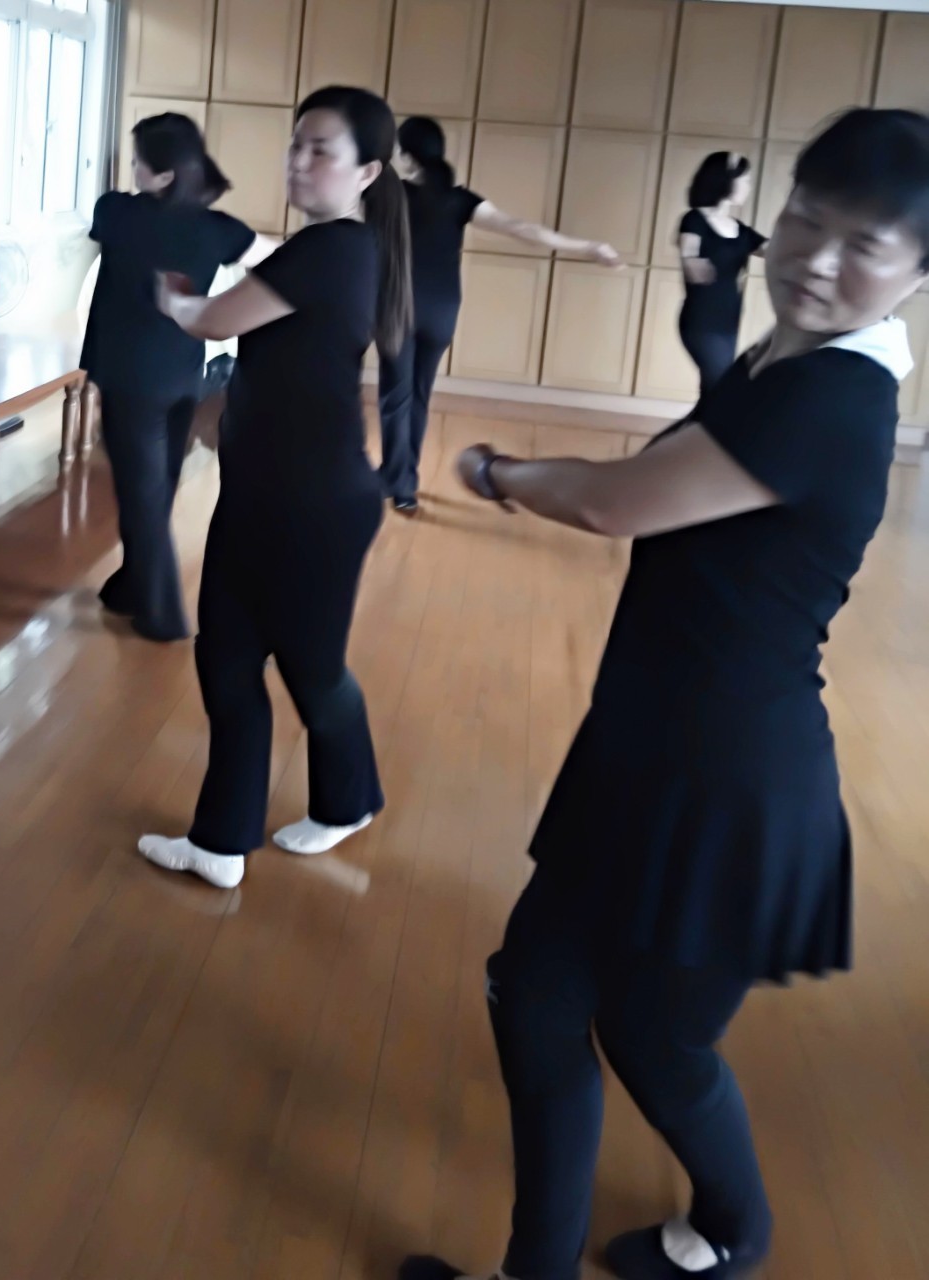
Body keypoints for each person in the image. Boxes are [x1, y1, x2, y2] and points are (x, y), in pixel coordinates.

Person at [400, 107, 929, 1280]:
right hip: (652, 748)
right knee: (534, 992)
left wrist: (495, 468)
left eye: (865, 245)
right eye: (807, 220)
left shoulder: (833, 395)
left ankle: (734, 1229)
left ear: (918, 272)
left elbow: (614, 502)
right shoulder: (780, 360)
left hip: (731, 782)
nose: (816, 259)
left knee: (656, 1039)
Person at [138, 85, 413, 889]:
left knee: (311, 669)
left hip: (314, 506)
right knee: (227, 656)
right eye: (296, 144)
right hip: (268, 495)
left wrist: (173, 298)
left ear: (366, 172)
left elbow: (212, 322)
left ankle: (348, 800)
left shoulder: (330, 250)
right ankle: (221, 842)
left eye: (320, 149)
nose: (299, 161)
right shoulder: (328, 250)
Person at [81, 112, 274, 642]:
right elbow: (280, 263)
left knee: (141, 493)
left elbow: (111, 235)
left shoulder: (115, 211)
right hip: (186, 376)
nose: (132, 168)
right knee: (156, 486)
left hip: (130, 380)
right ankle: (132, 585)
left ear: (164, 175)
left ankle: (163, 614)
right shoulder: (220, 228)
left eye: (138, 161)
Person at [379, 116, 621, 515]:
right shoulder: (460, 200)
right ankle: (404, 481)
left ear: (405, 155)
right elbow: (520, 227)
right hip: (442, 311)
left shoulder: (391, 193)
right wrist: (587, 247)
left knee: (396, 396)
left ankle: (399, 483)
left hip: (397, 308)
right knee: (419, 395)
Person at [677, 151, 766, 399]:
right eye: (745, 180)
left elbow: (774, 250)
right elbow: (688, 252)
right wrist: (692, 263)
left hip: (728, 321)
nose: (749, 187)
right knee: (720, 390)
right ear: (726, 180)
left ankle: (696, 424)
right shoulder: (694, 219)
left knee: (711, 393)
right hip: (701, 321)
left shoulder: (741, 231)